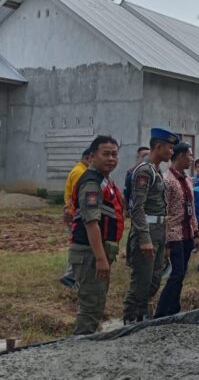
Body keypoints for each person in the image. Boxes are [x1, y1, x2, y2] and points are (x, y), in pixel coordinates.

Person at [68, 136, 124, 334]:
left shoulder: (104, 180)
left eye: (114, 154)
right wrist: (101, 259)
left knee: (97, 302)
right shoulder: (91, 184)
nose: (111, 159)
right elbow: (91, 223)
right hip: (89, 254)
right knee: (91, 307)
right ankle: (81, 348)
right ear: (92, 156)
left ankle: (89, 344)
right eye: (106, 154)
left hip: (98, 252)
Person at [122, 128, 177, 324]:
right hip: (147, 231)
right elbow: (137, 208)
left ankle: (142, 315)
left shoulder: (156, 170)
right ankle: (129, 320)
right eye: (169, 148)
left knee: (154, 280)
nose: (172, 152)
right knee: (141, 281)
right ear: (158, 146)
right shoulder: (144, 171)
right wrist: (144, 239)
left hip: (158, 230)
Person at [155, 142, 199, 318]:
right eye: (189, 155)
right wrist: (165, 242)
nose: (192, 159)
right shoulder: (167, 180)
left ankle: (173, 309)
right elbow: (163, 211)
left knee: (181, 275)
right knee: (176, 273)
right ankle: (161, 313)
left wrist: (196, 233)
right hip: (173, 235)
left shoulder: (188, 179)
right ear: (180, 156)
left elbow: (192, 208)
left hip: (188, 233)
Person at [60, 147, 91, 289]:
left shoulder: (79, 170)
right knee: (78, 246)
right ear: (88, 158)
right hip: (75, 214)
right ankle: (70, 276)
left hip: (72, 212)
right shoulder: (80, 172)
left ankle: (72, 275)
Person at [123, 146, 150, 214]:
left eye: (148, 156)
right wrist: (126, 209)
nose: (146, 158)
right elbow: (126, 193)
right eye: (144, 156)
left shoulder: (153, 172)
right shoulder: (131, 173)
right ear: (138, 157)